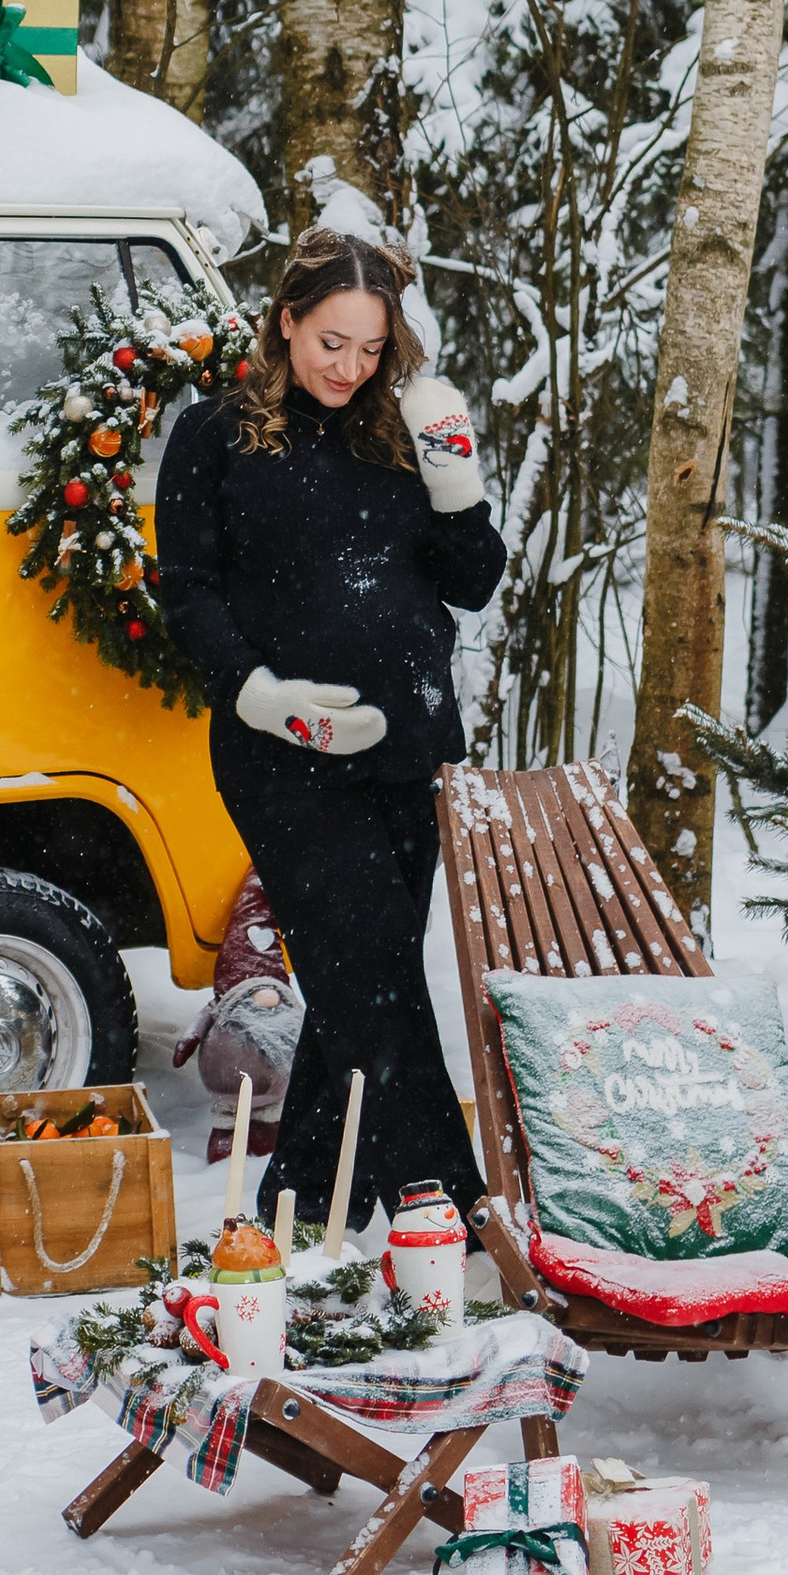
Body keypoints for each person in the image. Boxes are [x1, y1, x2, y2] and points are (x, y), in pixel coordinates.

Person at [154, 228, 504, 1234]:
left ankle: (306, 1201)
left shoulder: (395, 433)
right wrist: (253, 690)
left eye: (368, 349)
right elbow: (189, 592)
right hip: (282, 757)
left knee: (365, 981)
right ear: (286, 323)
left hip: (409, 749)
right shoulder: (215, 435)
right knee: (375, 977)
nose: (348, 368)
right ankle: (454, 1210)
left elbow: (470, 581)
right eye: (329, 342)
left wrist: (453, 478)